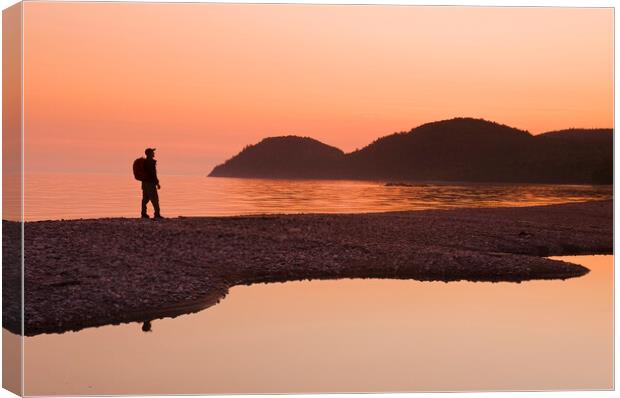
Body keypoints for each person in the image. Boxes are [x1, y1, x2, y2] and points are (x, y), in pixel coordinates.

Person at [141, 148, 163, 219]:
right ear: (150, 154)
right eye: (153, 152)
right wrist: (157, 183)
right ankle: (157, 214)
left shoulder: (144, 162)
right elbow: (153, 174)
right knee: (155, 199)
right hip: (150, 184)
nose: (154, 153)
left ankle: (143, 213)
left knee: (145, 199)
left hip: (144, 183)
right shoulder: (151, 162)